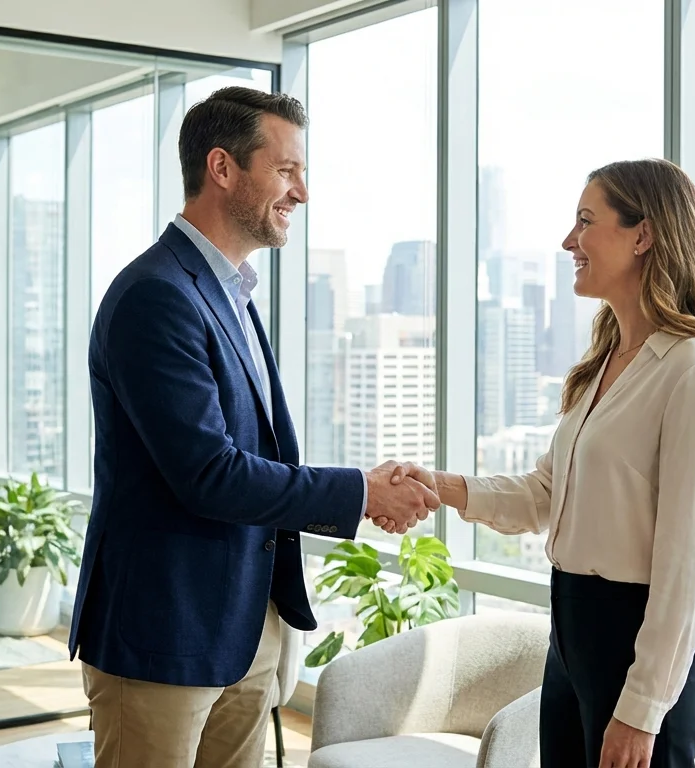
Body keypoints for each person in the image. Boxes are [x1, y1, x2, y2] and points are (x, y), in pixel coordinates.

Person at [70, 86, 439, 768]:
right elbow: (209, 473)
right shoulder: (157, 295)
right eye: (288, 170)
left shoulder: (228, 291)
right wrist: (360, 491)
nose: (302, 192)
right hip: (166, 634)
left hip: (242, 628)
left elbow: (253, 450)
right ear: (223, 168)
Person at [378, 158, 695, 768]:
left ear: (644, 234)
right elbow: (543, 495)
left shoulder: (694, 370)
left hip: (637, 648)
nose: (568, 241)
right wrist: (440, 486)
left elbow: (685, 565)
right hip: (572, 637)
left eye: (586, 221)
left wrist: (642, 708)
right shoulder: (604, 362)